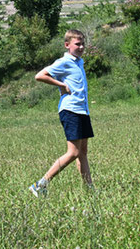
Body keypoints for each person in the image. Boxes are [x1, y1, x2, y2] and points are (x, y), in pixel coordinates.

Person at [29, 29, 94, 195]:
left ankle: (90, 190)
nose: (81, 47)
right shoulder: (64, 62)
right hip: (71, 110)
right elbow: (40, 75)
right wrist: (61, 85)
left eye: (83, 44)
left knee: (83, 152)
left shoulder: (79, 62)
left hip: (82, 111)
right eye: (77, 44)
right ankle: (40, 185)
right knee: (73, 153)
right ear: (67, 45)